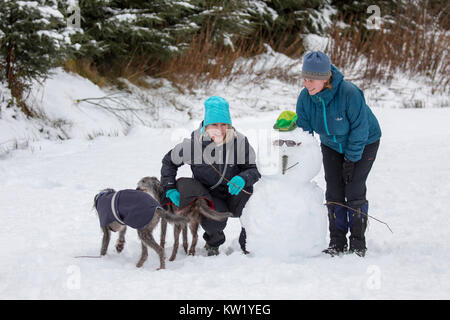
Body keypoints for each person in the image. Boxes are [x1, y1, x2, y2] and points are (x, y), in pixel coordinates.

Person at [295, 51, 381, 257]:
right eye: (305, 78)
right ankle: (337, 241)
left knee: (354, 189)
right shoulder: (305, 98)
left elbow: (360, 129)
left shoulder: (349, 93)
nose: (307, 83)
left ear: (326, 77)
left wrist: (351, 159)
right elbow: (304, 132)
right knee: (334, 190)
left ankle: (358, 242)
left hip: (365, 142)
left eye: (312, 79)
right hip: (331, 145)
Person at [160, 96, 261, 256]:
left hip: (235, 191)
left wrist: (243, 178)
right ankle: (213, 243)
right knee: (215, 221)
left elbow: (254, 169)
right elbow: (168, 162)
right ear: (206, 125)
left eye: (224, 125)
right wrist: (170, 188)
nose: (220, 130)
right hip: (211, 195)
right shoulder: (194, 145)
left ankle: (247, 242)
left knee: (254, 205)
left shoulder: (239, 142)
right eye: (214, 124)